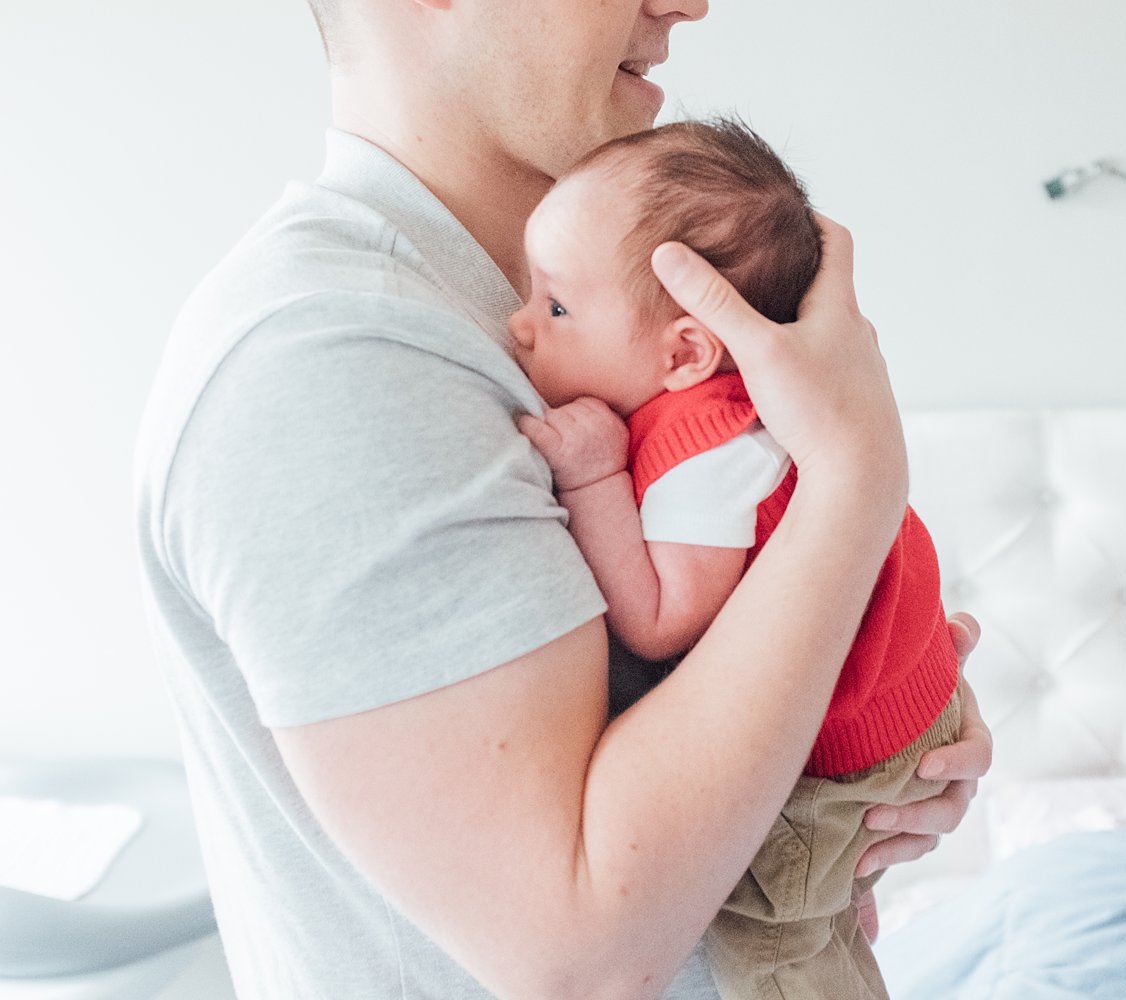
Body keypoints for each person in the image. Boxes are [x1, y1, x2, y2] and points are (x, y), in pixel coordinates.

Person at [132, 2, 993, 998]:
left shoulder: (552, 319)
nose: (688, 2)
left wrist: (870, 745)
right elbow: (582, 948)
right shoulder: (336, 356)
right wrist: (856, 476)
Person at [510, 118, 960, 1000]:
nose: (520, 325)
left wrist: (593, 475)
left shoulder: (706, 456)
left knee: (772, 941)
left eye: (555, 306)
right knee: (812, 895)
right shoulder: (753, 403)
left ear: (686, 350)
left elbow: (661, 618)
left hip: (859, 744)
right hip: (903, 689)